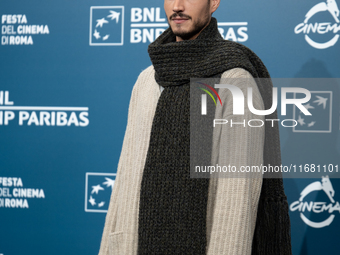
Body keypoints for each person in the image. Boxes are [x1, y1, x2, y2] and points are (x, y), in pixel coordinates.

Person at [99, 0, 292, 254]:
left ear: (214, 3)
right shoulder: (146, 80)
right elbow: (126, 180)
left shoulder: (234, 82)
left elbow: (237, 201)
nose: (177, 6)